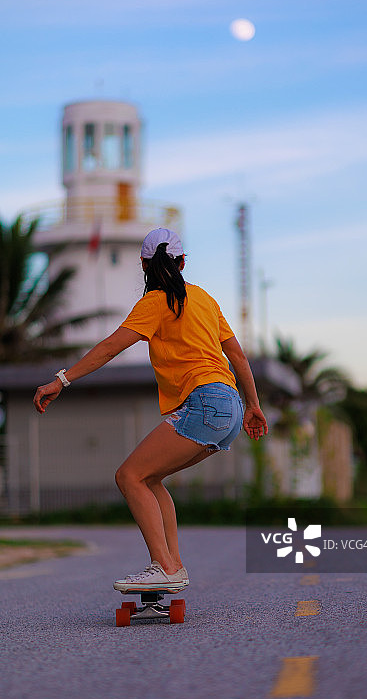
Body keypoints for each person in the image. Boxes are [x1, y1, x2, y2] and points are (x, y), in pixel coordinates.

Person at [33, 227, 268, 592]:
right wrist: (253, 405)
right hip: (231, 408)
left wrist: (61, 380)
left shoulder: (155, 302)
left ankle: (164, 566)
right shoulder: (204, 299)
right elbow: (236, 354)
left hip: (204, 402)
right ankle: (173, 565)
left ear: (143, 264)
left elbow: (111, 347)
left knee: (128, 476)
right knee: (150, 478)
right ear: (182, 262)